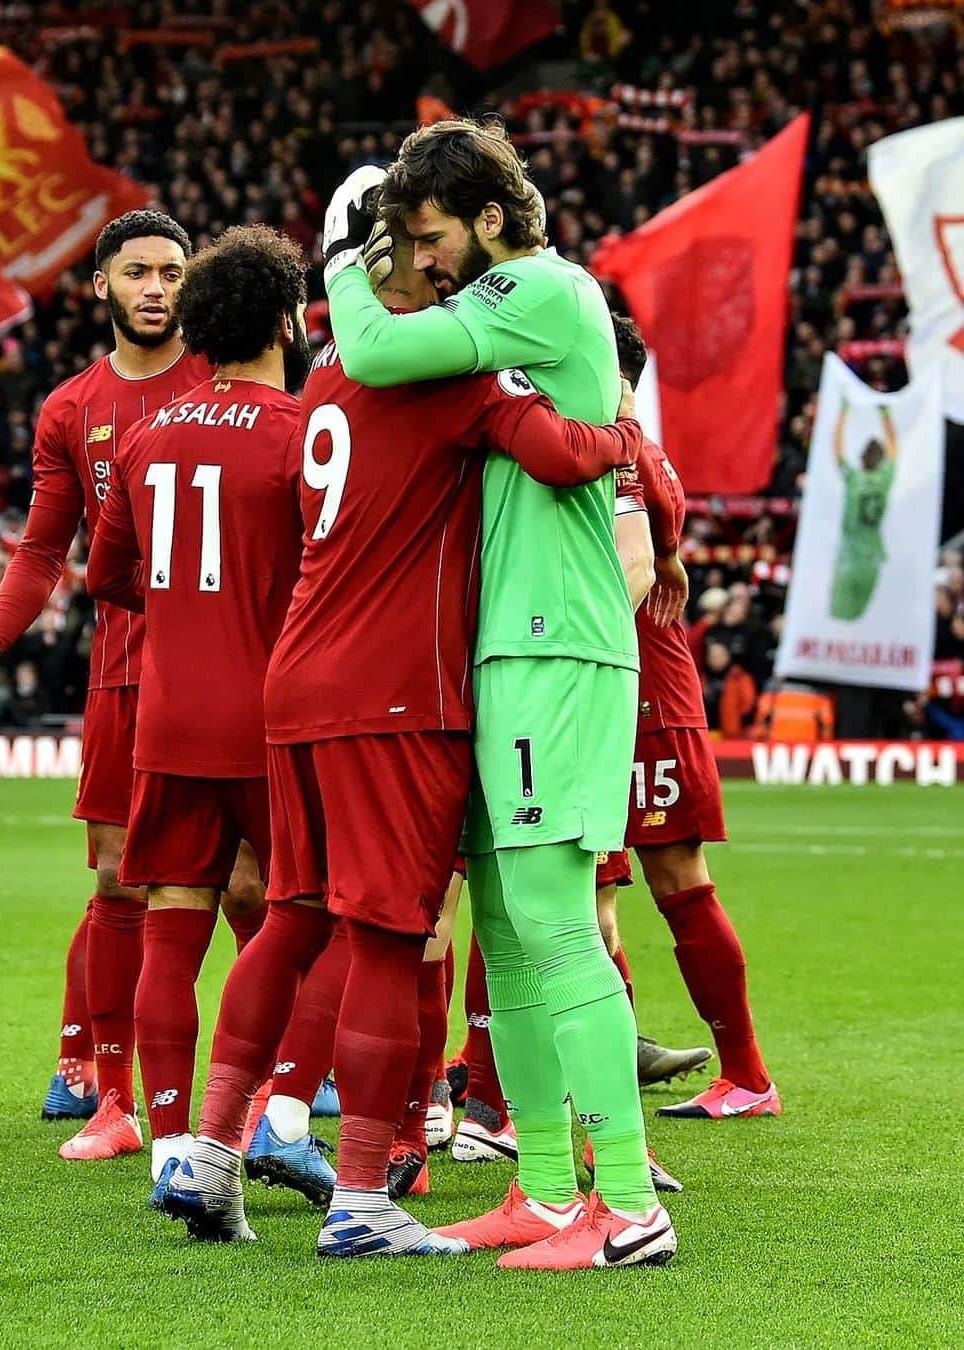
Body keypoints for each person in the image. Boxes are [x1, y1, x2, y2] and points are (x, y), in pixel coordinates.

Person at [160, 210, 645, 1253]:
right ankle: (367, 1199)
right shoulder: (447, 380)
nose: (451, 282)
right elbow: (563, 453)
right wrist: (624, 431)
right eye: (432, 268)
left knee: (291, 917)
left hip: (295, 678)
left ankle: (208, 1154)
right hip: (393, 690)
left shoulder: (325, 381)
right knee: (383, 934)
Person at [321, 118, 674, 1271]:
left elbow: (369, 355)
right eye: (404, 243)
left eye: (430, 239)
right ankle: (544, 1189)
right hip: (505, 649)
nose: (420, 264)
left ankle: (628, 1205)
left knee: (556, 920)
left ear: (486, 219)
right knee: (514, 937)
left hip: (554, 646)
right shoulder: (503, 313)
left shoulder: (539, 286)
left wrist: (339, 254)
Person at [0, 211, 211, 1150]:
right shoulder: (71, 409)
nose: (155, 288)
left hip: (225, 670)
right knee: (116, 882)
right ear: (100, 285)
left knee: (260, 888)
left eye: (172, 272)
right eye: (136, 271)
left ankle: (264, 1094)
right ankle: (112, 1102)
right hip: (121, 678)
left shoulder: (224, 384)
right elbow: (40, 548)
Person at [85, 224, 324, 1193]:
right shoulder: (302, 434)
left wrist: (190, 612)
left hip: (168, 719)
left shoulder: (146, 436)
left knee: (171, 926)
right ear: (280, 320)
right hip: (271, 722)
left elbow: (109, 576)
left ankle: (174, 1141)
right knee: (320, 916)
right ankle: (281, 1112)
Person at [594, 316, 780, 1121]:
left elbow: (649, 549)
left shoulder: (622, 444)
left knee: (670, 883)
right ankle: (615, 1057)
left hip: (640, 697)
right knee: (586, 894)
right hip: (610, 691)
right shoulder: (626, 445)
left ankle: (744, 1075)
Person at [829, 400, 897, 621]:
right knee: (861, 619)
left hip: (850, 555)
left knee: (839, 619)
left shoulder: (854, 479)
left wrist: (843, 411)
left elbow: (837, 449)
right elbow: (894, 444)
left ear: (861, 459)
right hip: (874, 557)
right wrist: (885, 413)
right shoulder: (885, 478)